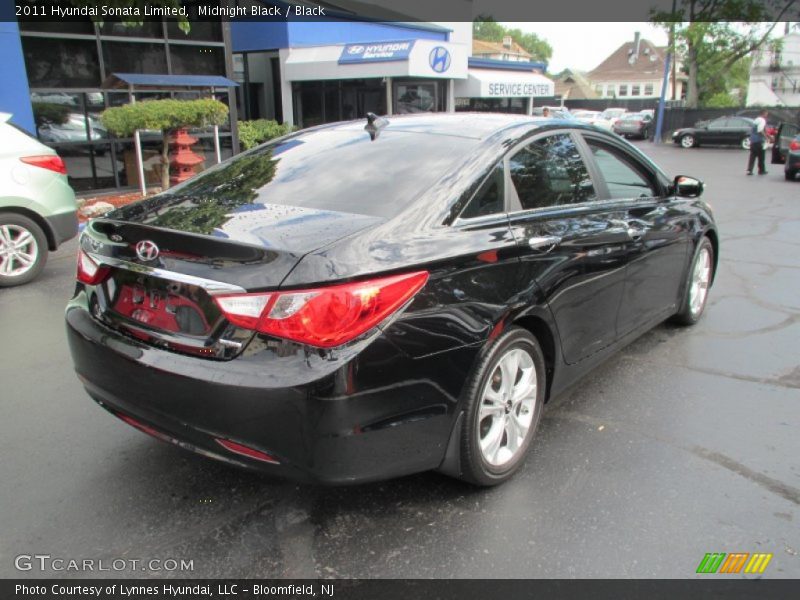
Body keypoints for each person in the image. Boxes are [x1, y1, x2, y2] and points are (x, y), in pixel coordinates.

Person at [746, 110, 771, 175]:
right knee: (761, 156)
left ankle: (749, 170)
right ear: (763, 114)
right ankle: (761, 170)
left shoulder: (756, 120)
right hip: (759, 141)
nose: (767, 116)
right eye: (766, 114)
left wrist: (768, 136)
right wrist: (766, 137)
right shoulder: (762, 120)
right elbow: (760, 130)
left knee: (752, 156)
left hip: (753, 140)